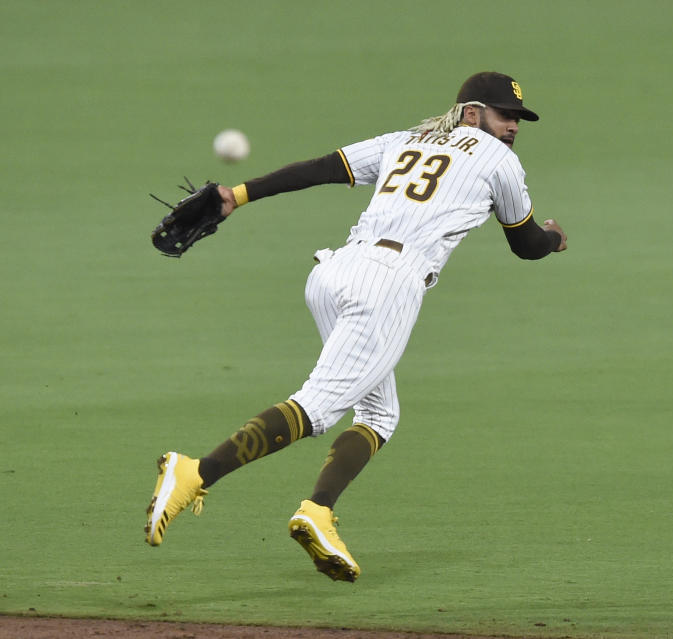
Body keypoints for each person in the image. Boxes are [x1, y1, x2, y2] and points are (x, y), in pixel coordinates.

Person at [144, 71, 567, 582]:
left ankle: (318, 511)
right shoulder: (500, 161)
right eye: (505, 115)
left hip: (334, 272)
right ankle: (194, 472)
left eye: (518, 119)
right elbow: (525, 244)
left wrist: (237, 194)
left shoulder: (403, 141)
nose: (513, 127)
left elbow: (324, 167)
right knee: (318, 407)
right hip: (388, 284)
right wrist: (554, 238)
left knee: (379, 414)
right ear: (472, 114)